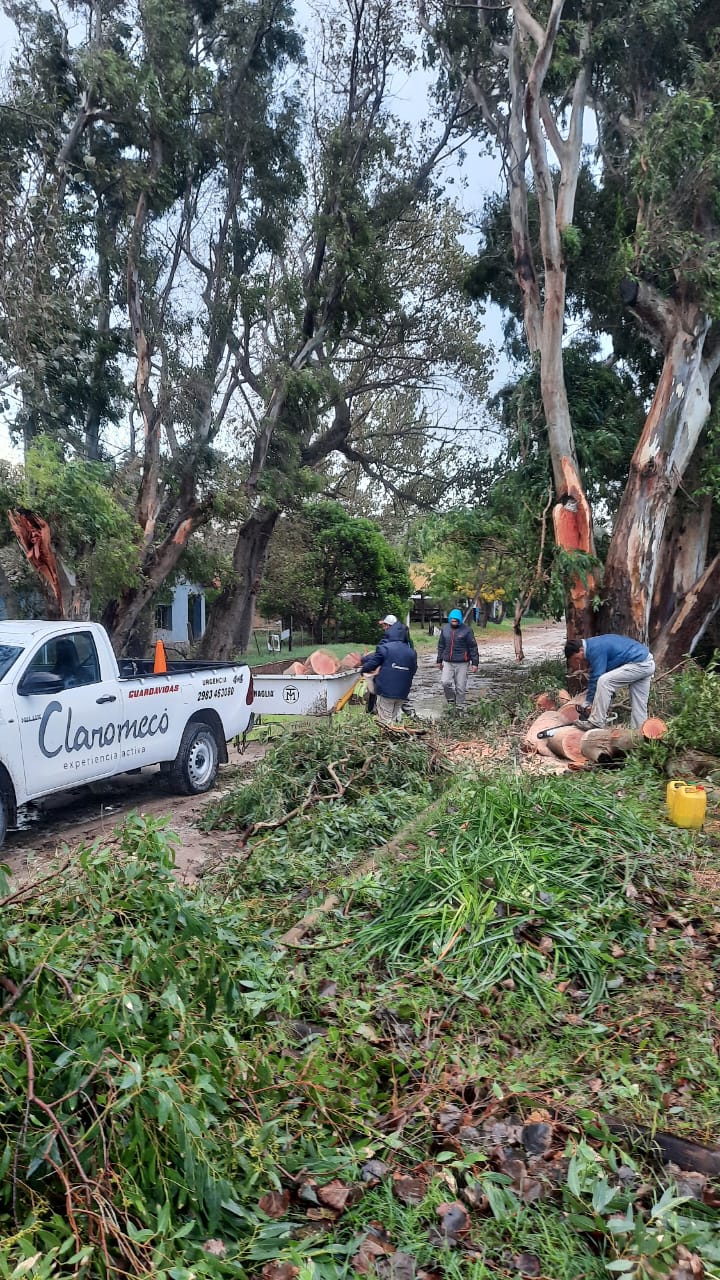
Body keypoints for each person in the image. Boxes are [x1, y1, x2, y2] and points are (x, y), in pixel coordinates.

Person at [564, 634, 655, 730]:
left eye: (576, 658)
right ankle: (639, 735)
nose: (578, 661)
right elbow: (607, 672)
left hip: (640, 664)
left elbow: (597, 677)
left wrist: (588, 702)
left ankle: (596, 721)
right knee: (639, 706)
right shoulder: (595, 643)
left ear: (581, 650)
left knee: (604, 681)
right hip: (647, 662)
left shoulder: (594, 648)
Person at [361, 619, 417, 724]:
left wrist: (363, 669)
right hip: (402, 693)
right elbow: (413, 670)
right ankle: (396, 735)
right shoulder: (411, 651)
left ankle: (387, 737)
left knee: (385, 721)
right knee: (393, 718)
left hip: (386, 691)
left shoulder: (385, 648)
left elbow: (373, 663)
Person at [436, 608, 479, 708]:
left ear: (459, 620)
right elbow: (441, 645)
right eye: (452, 620)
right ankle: (451, 702)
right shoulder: (445, 629)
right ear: (450, 619)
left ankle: (460, 707)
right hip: (448, 661)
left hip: (462, 662)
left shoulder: (467, 630)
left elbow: (473, 647)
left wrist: (475, 663)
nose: (454, 622)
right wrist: (439, 660)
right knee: (445, 682)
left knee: (460, 687)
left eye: (456, 620)